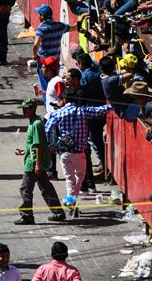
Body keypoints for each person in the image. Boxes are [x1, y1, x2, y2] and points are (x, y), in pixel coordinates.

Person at [45, 88, 111, 217]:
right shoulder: (83, 111)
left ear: (64, 100)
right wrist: (115, 105)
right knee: (79, 177)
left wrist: (51, 144)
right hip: (80, 152)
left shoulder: (58, 113)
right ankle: (71, 200)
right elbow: (101, 110)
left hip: (64, 152)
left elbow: (47, 129)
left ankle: (71, 200)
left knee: (70, 178)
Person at [15, 98, 66, 224]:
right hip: (35, 161)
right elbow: (35, 144)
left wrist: (37, 164)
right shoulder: (34, 122)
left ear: (32, 109)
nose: (24, 111)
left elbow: (38, 145)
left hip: (33, 163)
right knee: (45, 187)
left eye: (26, 109)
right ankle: (58, 212)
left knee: (25, 189)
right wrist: (25, 151)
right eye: (23, 109)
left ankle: (27, 216)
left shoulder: (36, 124)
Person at [33, 4, 70, 91]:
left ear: (42, 16)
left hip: (44, 62)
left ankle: (48, 101)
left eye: (39, 14)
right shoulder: (59, 26)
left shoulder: (41, 29)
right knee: (53, 83)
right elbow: (73, 27)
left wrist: (34, 55)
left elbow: (36, 45)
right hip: (55, 61)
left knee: (45, 85)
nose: (38, 16)